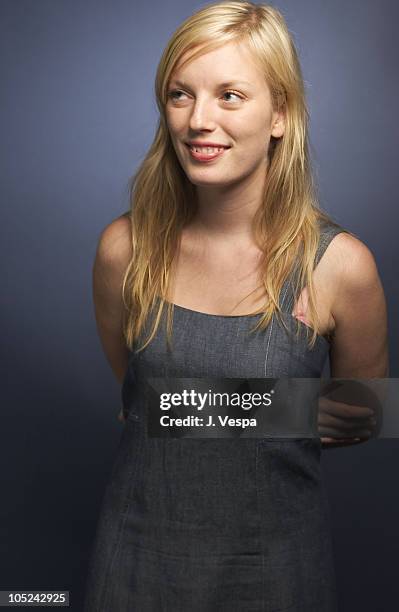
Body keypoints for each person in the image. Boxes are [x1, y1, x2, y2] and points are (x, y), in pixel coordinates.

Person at [83, 1, 388, 610]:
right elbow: (137, 393)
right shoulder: (125, 249)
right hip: (135, 563)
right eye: (180, 94)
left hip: (277, 572)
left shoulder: (339, 266)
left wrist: (185, 402)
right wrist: (270, 403)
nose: (198, 120)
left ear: (280, 114)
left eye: (229, 96)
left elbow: (364, 416)